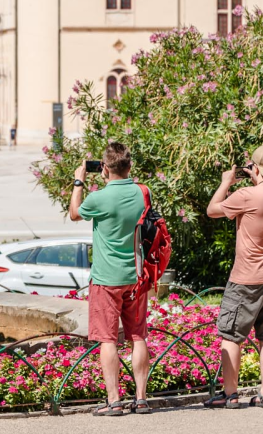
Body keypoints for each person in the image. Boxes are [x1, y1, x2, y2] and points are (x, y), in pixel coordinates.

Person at [203, 146, 263, 409]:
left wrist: (225, 183)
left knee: (232, 334)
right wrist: (258, 179)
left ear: (255, 169)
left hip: (247, 277)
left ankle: (230, 394)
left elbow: (212, 210)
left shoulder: (246, 195)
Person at [68, 143, 150, 416]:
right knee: (138, 336)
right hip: (135, 277)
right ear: (129, 167)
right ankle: (141, 399)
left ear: (104, 168)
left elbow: (74, 212)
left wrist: (79, 180)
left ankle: (114, 401)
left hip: (106, 279)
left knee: (108, 340)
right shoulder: (142, 192)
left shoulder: (99, 198)